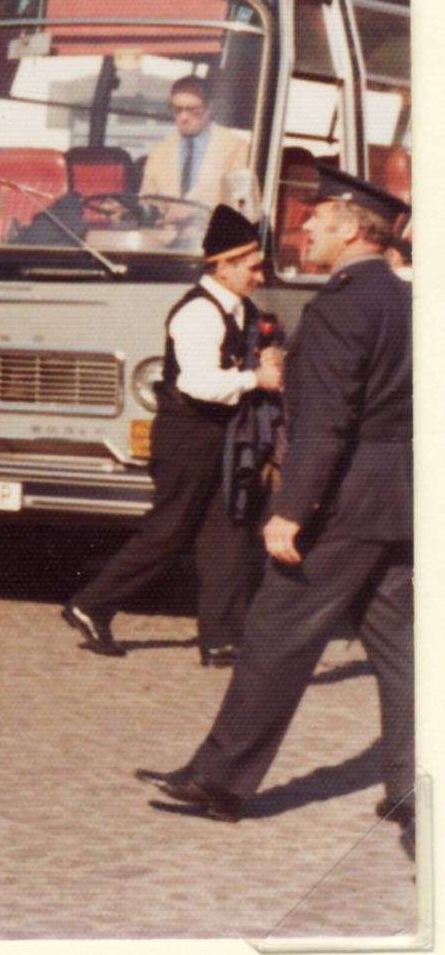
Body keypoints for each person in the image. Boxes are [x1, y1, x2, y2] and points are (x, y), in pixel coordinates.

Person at [138, 167, 412, 830]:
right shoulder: (406, 301)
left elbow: (325, 423)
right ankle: (413, 785)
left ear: (351, 228)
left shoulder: (340, 306)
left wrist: (289, 509)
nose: (304, 227)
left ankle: (218, 780)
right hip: (399, 500)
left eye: (316, 217)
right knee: (403, 648)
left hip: (340, 503)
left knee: (272, 632)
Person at [62, 206, 279, 665]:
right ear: (222, 265)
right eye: (252, 266)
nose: (261, 275)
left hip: (222, 437)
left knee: (229, 534)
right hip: (187, 436)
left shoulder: (240, 308)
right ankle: (90, 604)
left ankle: (222, 641)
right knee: (169, 532)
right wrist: (254, 380)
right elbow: (196, 384)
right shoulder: (198, 313)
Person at [138, 75, 253, 212]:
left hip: (214, 232)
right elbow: (147, 202)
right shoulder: (159, 151)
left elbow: (244, 208)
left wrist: (194, 212)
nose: (183, 117)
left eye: (193, 110)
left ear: (210, 107)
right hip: (164, 232)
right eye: (177, 110)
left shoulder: (235, 147)